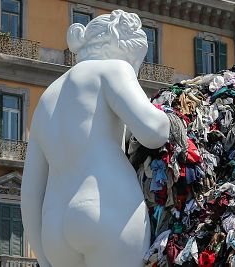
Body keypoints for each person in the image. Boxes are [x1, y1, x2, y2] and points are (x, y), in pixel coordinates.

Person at [21, 10, 170, 267]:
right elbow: (154, 132)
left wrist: (44, 256)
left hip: (54, 228)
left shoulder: (48, 96)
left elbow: (30, 191)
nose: (135, 70)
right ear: (123, 50)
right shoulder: (113, 69)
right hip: (106, 207)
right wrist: (168, 113)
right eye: (137, 63)